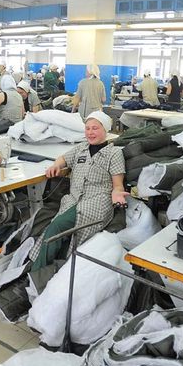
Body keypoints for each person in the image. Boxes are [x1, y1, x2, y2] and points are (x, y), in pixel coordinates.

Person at [30, 111, 128, 271]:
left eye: (95, 128)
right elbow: (63, 159)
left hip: (96, 203)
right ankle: (48, 270)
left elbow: (118, 185)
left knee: (57, 227)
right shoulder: (81, 149)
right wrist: (56, 165)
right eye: (87, 128)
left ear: (106, 130)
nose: (90, 132)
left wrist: (117, 194)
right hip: (73, 200)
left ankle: (35, 272)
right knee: (59, 231)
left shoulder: (114, 153)